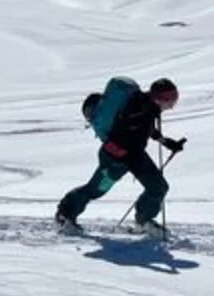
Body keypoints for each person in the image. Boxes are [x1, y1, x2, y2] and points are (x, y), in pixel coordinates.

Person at [56, 78, 184, 236]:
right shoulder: (141, 108)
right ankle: (65, 215)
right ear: (159, 98)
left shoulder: (147, 107)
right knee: (95, 190)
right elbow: (128, 129)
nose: (172, 105)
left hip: (134, 156)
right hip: (115, 158)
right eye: (171, 100)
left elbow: (146, 129)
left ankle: (144, 221)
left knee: (158, 187)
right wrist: (126, 151)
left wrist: (167, 142)